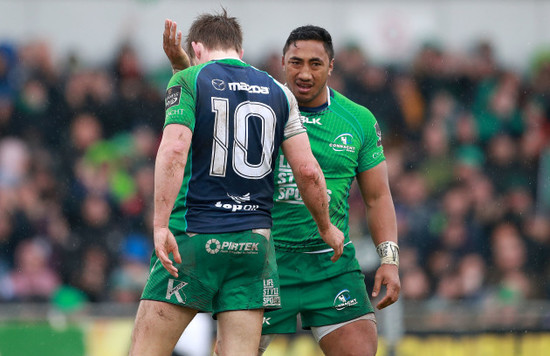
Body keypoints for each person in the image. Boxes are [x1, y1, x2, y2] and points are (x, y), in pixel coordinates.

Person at [164, 22, 400, 356]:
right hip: (266, 262)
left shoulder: (357, 120)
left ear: (331, 66)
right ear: (283, 62)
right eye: (296, 63)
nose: (304, 73)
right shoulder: (259, 102)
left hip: (331, 264)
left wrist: (389, 260)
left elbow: (378, 198)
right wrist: (181, 67)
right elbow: (206, 97)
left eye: (315, 64)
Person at [129, 12, 344, 356]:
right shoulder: (280, 92)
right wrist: (327, 227)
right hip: (253, 247)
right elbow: (307, 170)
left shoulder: (188, 80)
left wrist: (158, 224)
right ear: (240, 50)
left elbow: (174, 149)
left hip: (194, 239)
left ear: (196, 48)